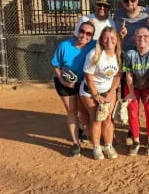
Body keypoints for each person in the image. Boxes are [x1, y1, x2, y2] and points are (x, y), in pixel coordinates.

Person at [51, 21, 96, 157]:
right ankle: (76, 144)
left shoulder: (94, 45)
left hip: (83, 82)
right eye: (82, 31)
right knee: (72, 111)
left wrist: (122, 36)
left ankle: (90, 137)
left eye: (89, 33)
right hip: (64, 82)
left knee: (85, 110)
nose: (84, 35)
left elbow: (111, 42)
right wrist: (62, 80)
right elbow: (56, 65)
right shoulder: (65, 45)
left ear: (92, 36)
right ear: (77, 31)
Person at [79, 27, 122, 160]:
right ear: (101, 40)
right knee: (97, 119)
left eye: (112, 38)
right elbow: (89, 77)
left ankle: (108, 145)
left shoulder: (119, 54)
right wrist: (96, 95)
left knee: (108, 119)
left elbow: (118, 75)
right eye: (106, 38)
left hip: (108, 91)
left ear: (117, 40)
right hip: (90, 91)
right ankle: (96, 147)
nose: (109, 41)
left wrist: (111, 93)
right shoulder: (94, 54)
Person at [123, 27, 149, 156]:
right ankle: (136, 141)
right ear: (134, 39)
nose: (142, 39)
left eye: (145, 36)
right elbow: (128, 75)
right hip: (133, 86)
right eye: (138, 36)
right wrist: (131, 93)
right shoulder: (130, 54)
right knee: (133, 113)